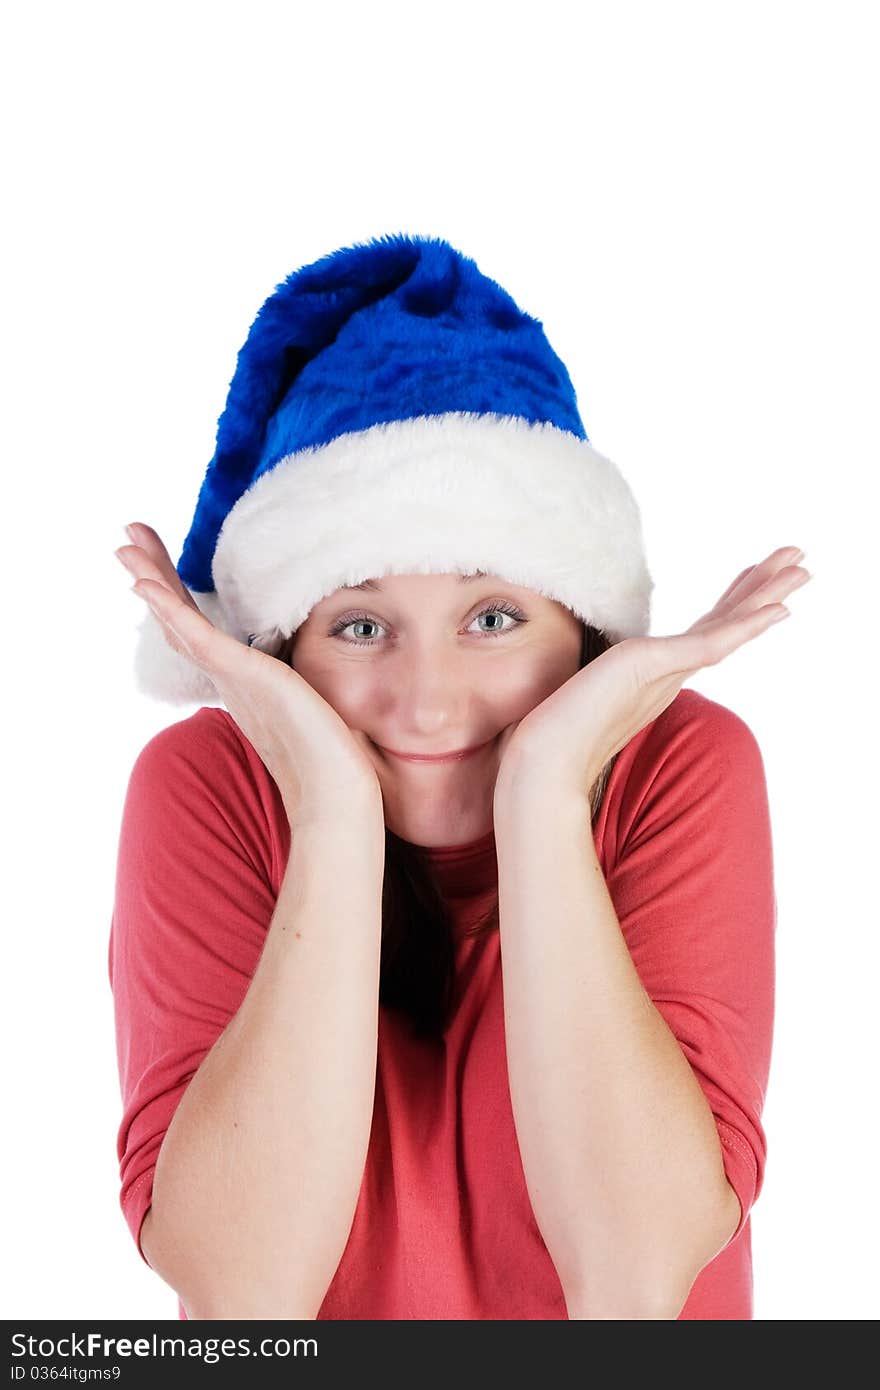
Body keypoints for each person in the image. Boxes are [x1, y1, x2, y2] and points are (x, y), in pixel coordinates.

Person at [108, 232, 810, 1321]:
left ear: (583, 628)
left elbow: (634, 1285)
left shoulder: (680, 766)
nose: (427, 701)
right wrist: (334, 816)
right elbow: (242, 1301)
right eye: (359, 622)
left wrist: (542, 796)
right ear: (282, 646)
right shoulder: (209, 788)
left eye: (493, 617)